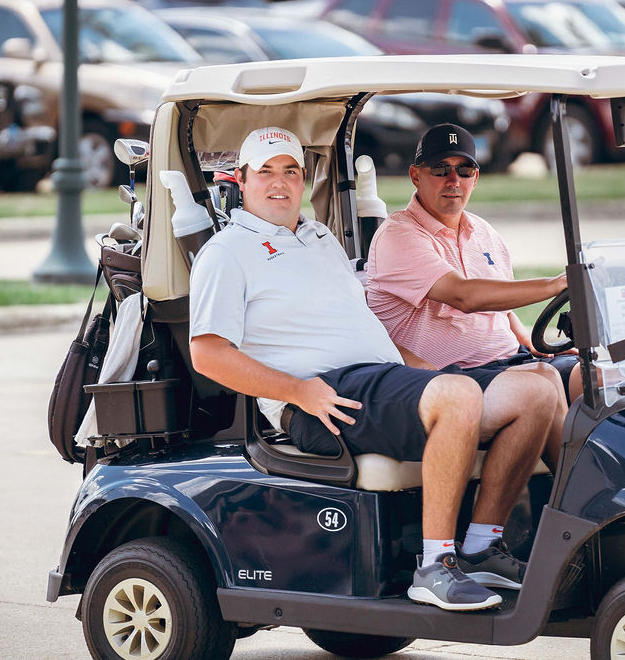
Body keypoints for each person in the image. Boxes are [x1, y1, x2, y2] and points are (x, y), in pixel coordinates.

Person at [189, 126, 558, 612]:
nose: (279, 183)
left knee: (537, 391)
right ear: (241, 180)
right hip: (324, 398)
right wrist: (299, 392)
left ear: (304, 180)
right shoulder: (226, 253)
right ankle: (434, 567)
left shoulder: (317, 235)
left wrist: (422, 369)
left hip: (376, 379)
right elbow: (208, 353)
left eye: (290, 172)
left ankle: (481, 548)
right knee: (460, 395)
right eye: (265, 173)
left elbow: (359, 321)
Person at [365, 123, 582, 475]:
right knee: (543, 380)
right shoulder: (398, 235)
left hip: (511, 360)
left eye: (464, 170)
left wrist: (531, 341)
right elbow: (465, 296)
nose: (453, 180)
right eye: (440, 170)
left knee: (597, 377)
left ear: (475, 178)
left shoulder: (483, 232)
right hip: (452, 376)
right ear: (415, 175)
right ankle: (581, 508)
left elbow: (501, 306)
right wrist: (556, 284)